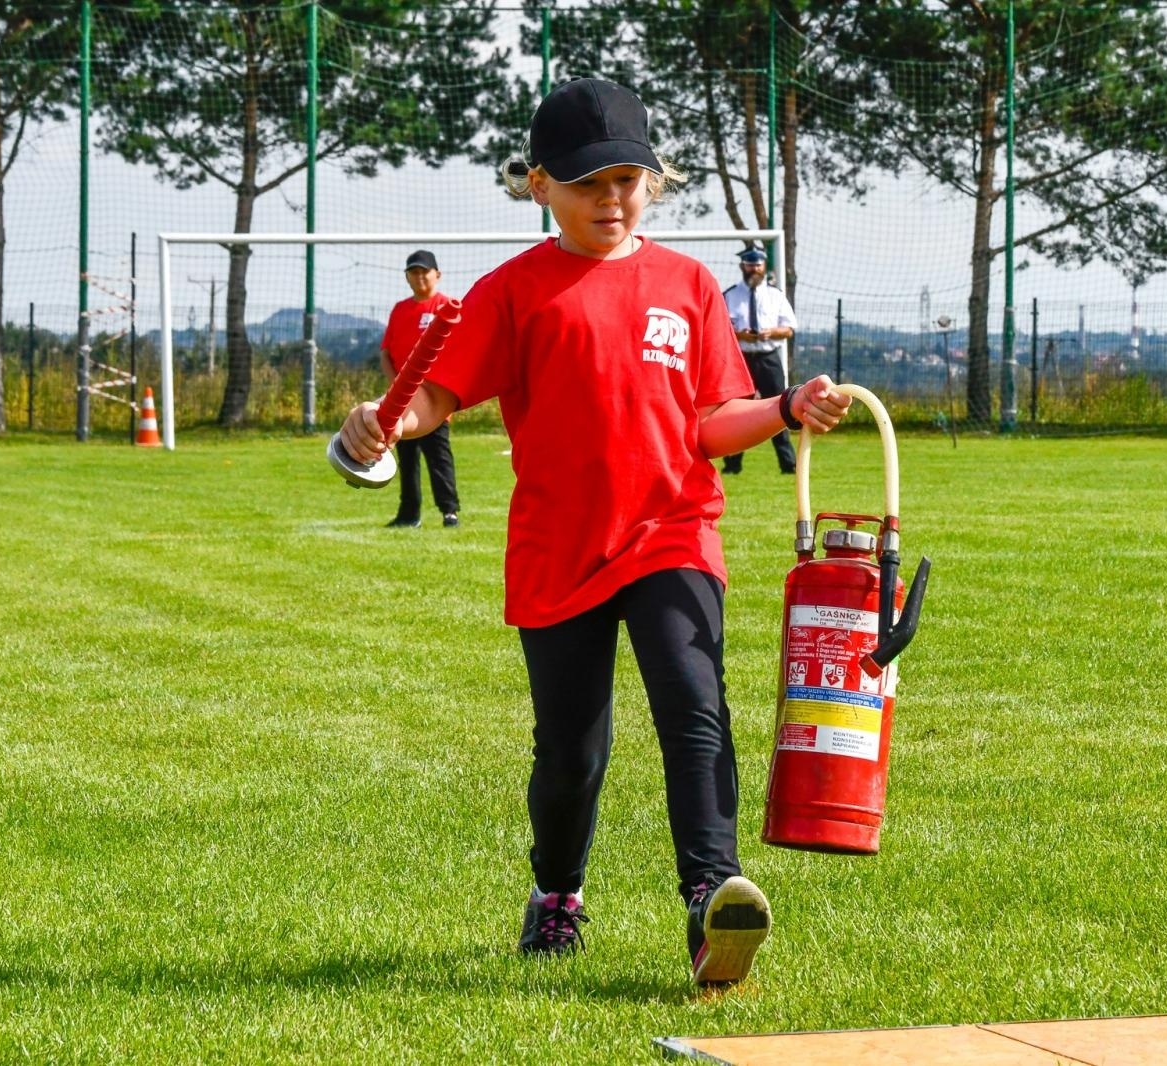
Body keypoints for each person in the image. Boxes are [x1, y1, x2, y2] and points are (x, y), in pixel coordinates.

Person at [337, 77, 851, 988]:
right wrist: (386, 422)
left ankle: (711, 898)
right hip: (559, 547)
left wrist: (783, 405)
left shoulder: (688, 286)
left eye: (628, 180)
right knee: (570, 750)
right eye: (588, 183)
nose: (611, 199)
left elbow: (712, 419)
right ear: (540, 186)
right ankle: (557, 895)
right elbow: (439, 395)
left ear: (654, 182)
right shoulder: (513, 292)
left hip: (672, 532)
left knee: (694, 709)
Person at [379, 249, 460, 528]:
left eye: (424, 271)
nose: (419, 277)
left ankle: (449, 512)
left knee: (439, 457)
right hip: (404, 403)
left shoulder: (447, 307)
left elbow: (458, 352)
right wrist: (396, 388)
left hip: (434, 400)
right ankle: (409, 514)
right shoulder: (400, 309)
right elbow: (386, 352)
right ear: (407, 278)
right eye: (414, 272)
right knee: (408, 459)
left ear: (437, 275)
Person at [720, 247, 799, 475]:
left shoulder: (775, 295)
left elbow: (789, 329)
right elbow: (719, 329)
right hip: (741, 358)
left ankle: (788, 464)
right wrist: (740, 335)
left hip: (768, 357)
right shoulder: (730, 295)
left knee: (781, 407)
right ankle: (732, 464)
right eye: (749, 264)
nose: (753, 268)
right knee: (735, 410)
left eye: (757, 264)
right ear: (742, 266)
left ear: (764, 267)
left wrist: (771, 332)